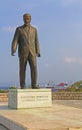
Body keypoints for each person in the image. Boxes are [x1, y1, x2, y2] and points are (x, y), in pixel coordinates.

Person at [11, 13, 41, 89]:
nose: (26, 19)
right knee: (22, 69)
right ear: (23, 19)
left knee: (34, 68)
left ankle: (34, 85)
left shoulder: (34, 30)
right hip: (22, 52)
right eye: (25, 18)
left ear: (30, 19)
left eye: (28, 18)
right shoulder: (19, 29)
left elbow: (36, 41)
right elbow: (15, 40)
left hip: (32, 52)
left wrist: (38, 51)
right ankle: (22, 85)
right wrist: (13, 49)